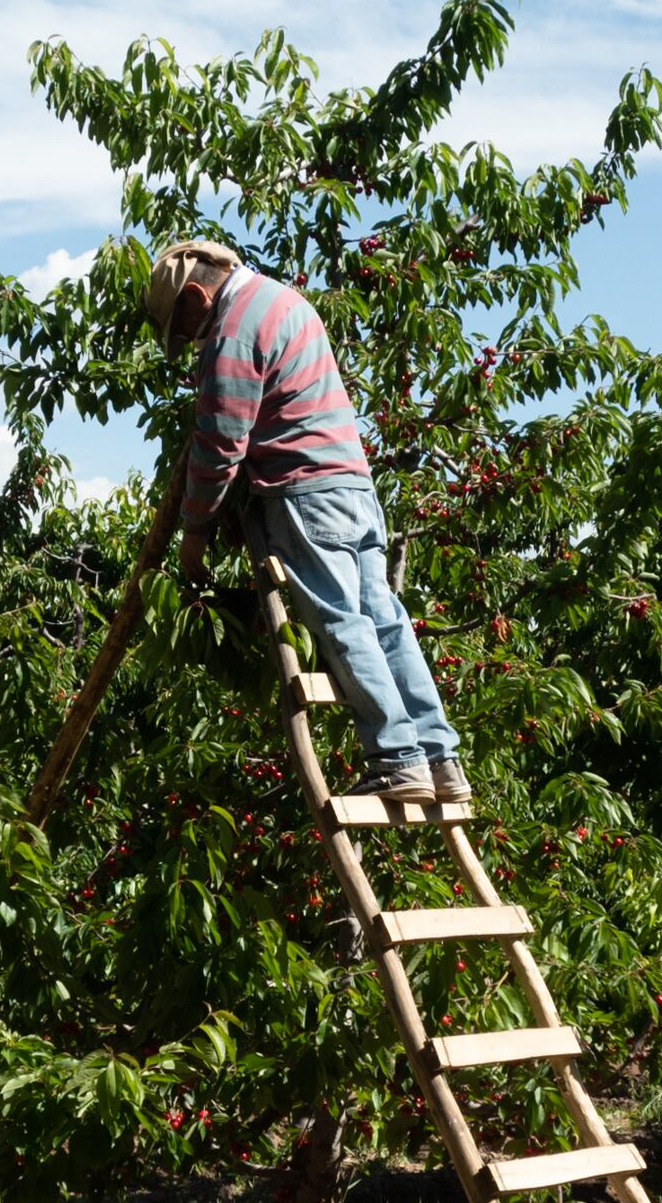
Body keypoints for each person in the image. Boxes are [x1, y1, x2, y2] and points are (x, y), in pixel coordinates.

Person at [150, 234, 465, 810]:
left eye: (184, 326)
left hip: (304, 493)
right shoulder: (287, 301)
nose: (191, 340)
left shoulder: (233, 328)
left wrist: (195, 532)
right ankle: (439, 757)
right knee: (386, 621)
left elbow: (221, 441)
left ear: (195, 296)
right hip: (354, 486)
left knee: (342, 622)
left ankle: (397, 759)